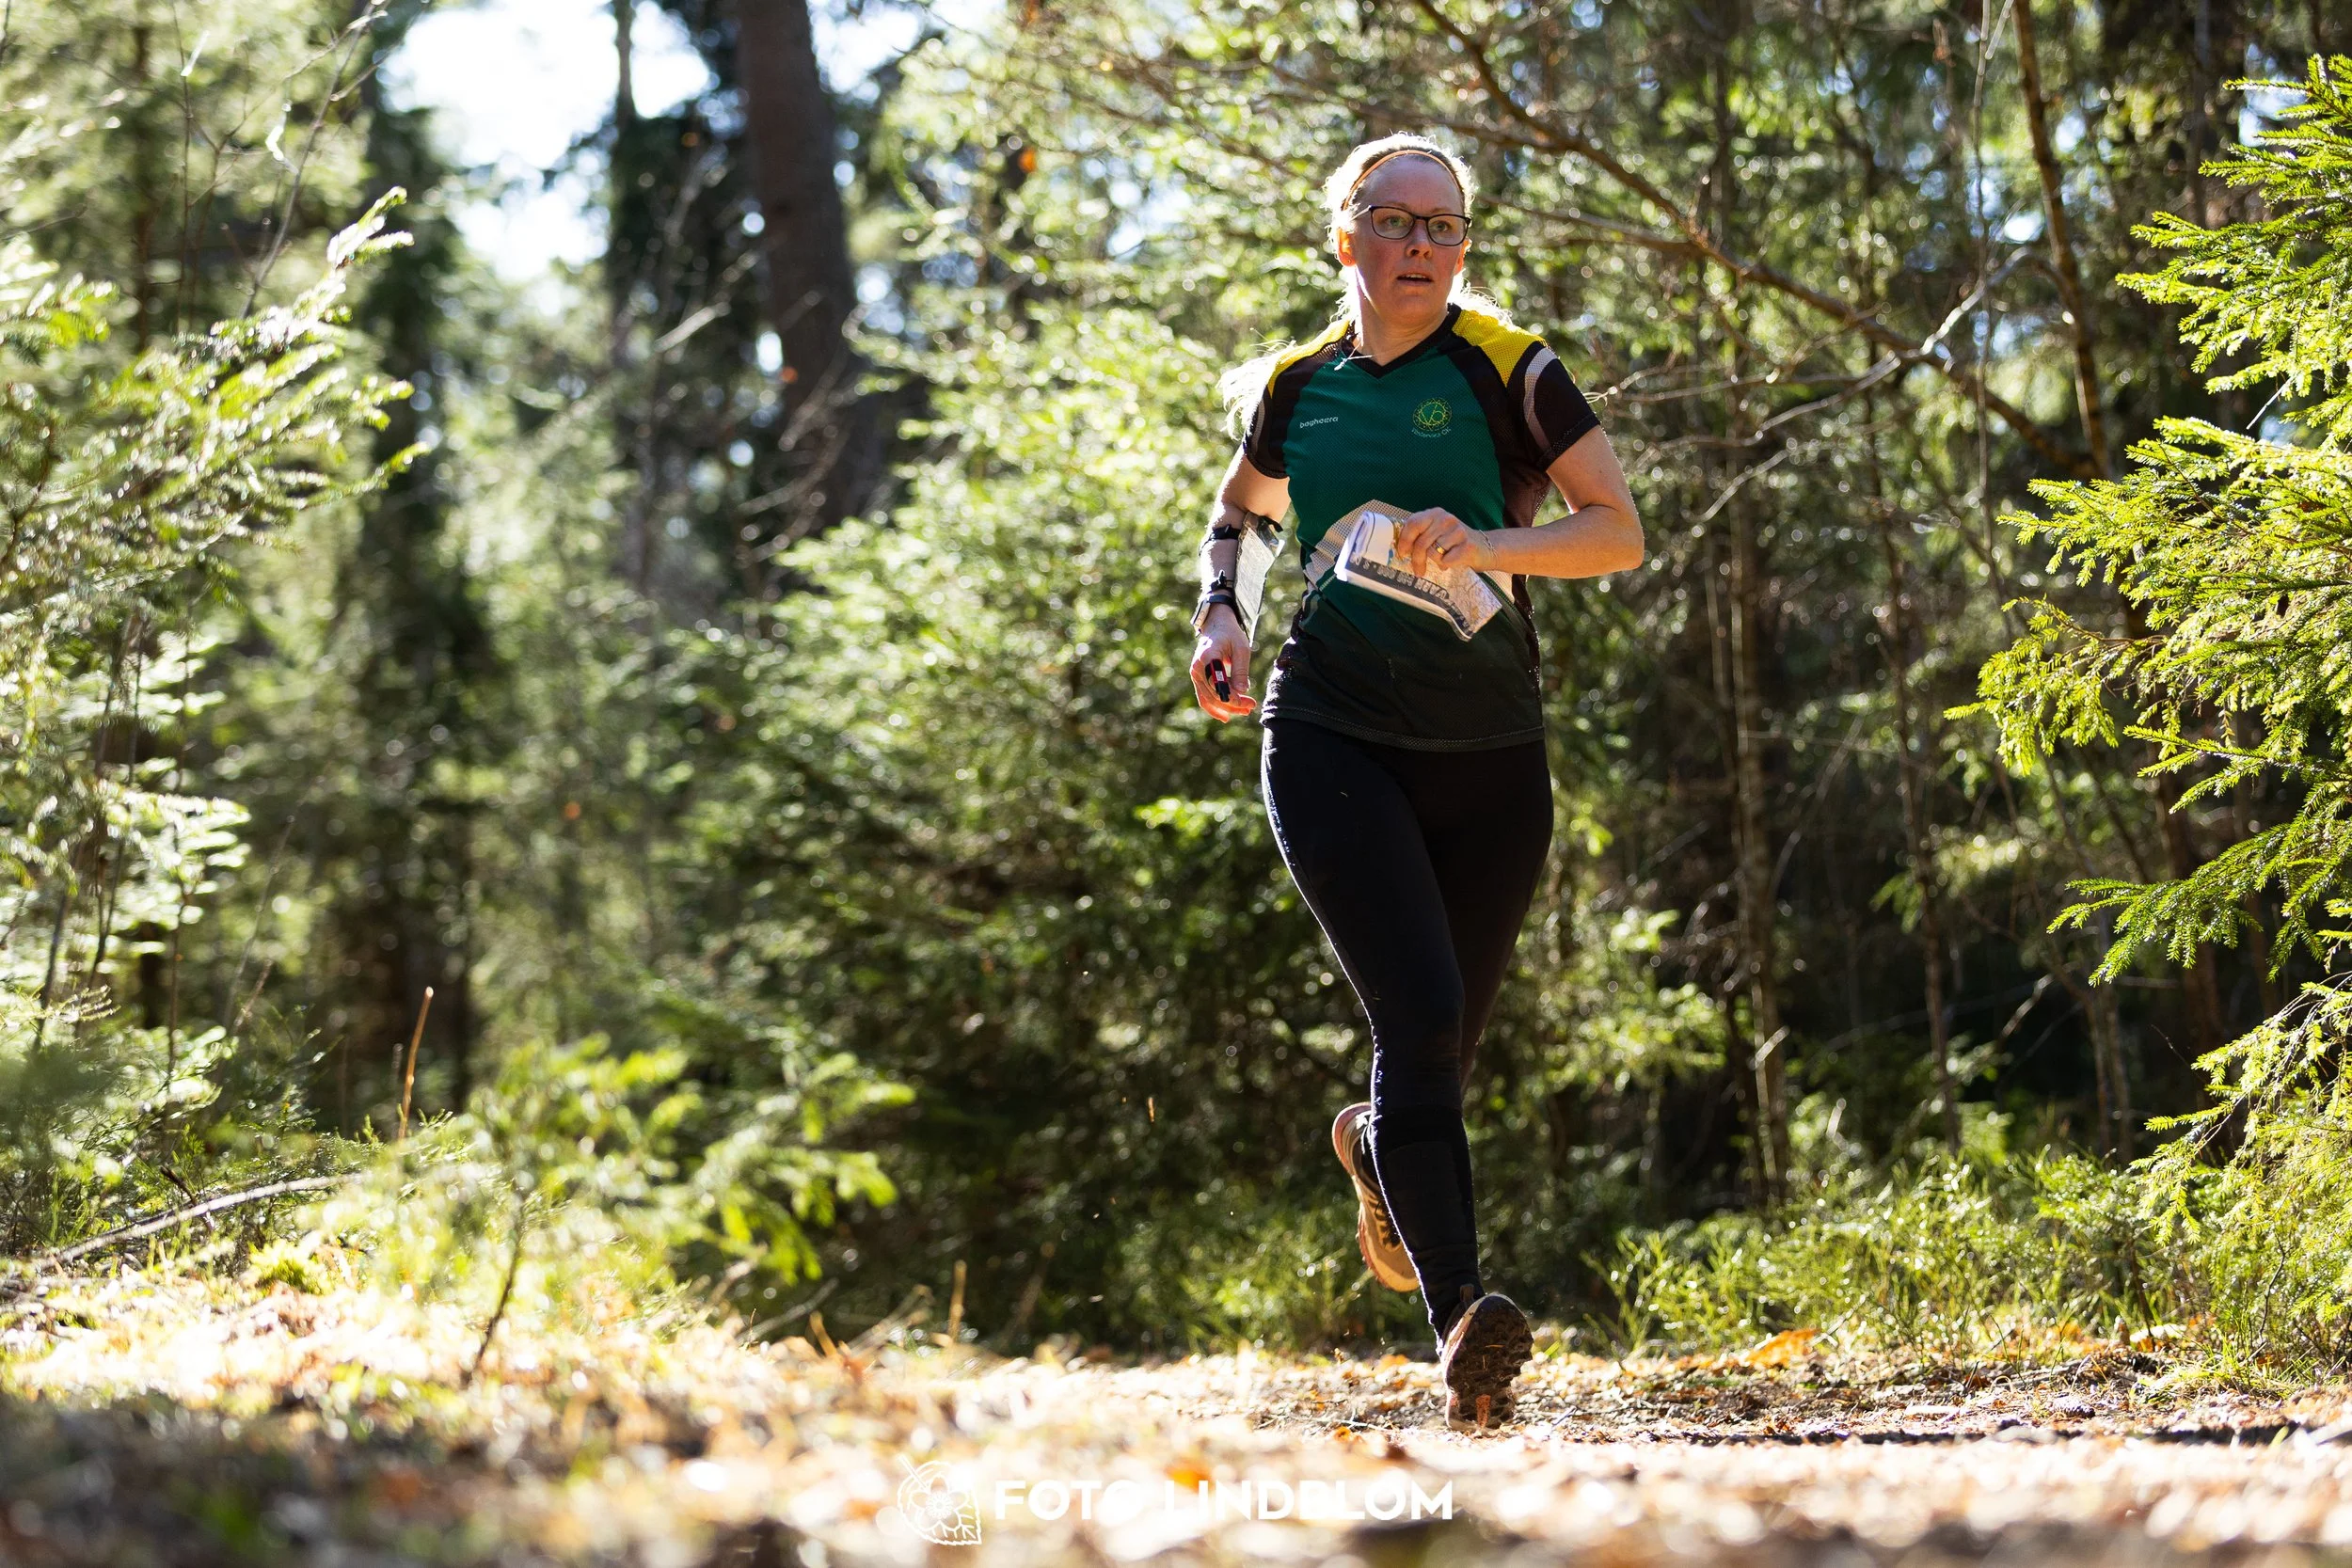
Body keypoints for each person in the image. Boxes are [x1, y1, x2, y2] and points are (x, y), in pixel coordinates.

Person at [1186, 134, 1645, 1429]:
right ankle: (1464, 1324)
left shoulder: (1513, 371)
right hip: (1329, 733)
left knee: (1443, 1047)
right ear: (1346, 239)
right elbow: (1245, 512)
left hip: (1493, 755)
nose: (1422, 250)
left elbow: (1618, 530)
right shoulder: (1298, 384)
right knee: (1422, 1015)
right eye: (1395, 223)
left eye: (1445, 229)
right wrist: (1222, 615)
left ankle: (1380, 1151)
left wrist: (1487, 540)